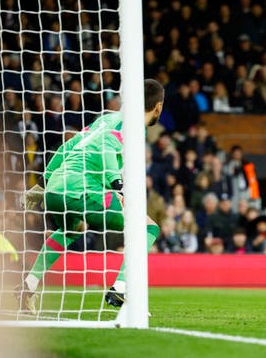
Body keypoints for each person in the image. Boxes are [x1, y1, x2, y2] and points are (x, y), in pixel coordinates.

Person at [15, 79, 165, 314]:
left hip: (57, 188)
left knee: (71, 229)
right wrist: (117, 185)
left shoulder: (106, 119)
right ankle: (123, 287)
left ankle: (29, 285)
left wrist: (44, 185)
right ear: (158, 107)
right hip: (82, 189)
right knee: (148, 227)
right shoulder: (133, 125)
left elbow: (68, 146)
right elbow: (107, 145)